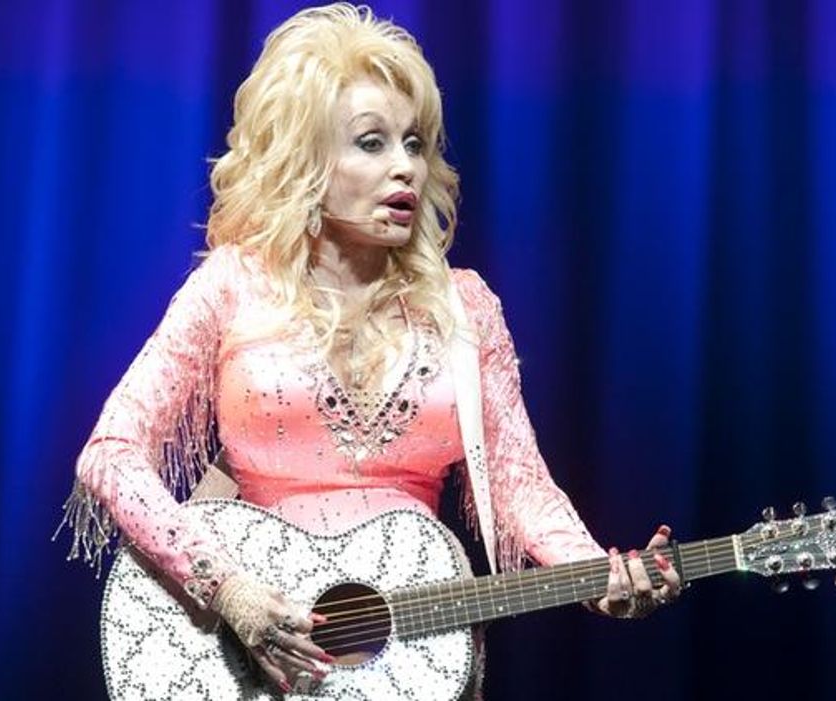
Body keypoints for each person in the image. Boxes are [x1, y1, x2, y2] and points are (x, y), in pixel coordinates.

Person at [58, 3, 681, 697]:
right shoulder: (233, 284)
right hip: (261, 660)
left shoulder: (464, 307)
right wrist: (229, 588)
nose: (405, 168)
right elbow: (110, 454)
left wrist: (600, 575)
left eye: (414, 144)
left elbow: (521, 486)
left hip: (414, 666)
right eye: (371, 143)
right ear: (305, 160)